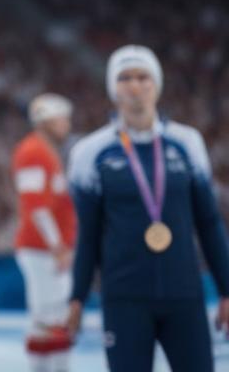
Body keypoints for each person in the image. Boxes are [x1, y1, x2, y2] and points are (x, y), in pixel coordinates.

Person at [66, 45, 229, 371]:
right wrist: (77, 298)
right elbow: (89, 234)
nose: (135, 86)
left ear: (156, 84)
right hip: (124, 299)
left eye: (143, 77)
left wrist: (227, 289)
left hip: (184, 296)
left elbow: (209, 222)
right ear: (113, 88)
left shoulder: (187, 143)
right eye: (125, 78)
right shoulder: (90, 153)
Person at [13, 93, 78, 372]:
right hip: (41, 249)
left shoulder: (44, 151)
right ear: (47, 121)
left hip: (46, 248)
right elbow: (36, 206)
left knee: (53, 318)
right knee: (48, 319)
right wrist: (57, 246)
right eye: (62, 119)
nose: (67, 125)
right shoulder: (33, 151)